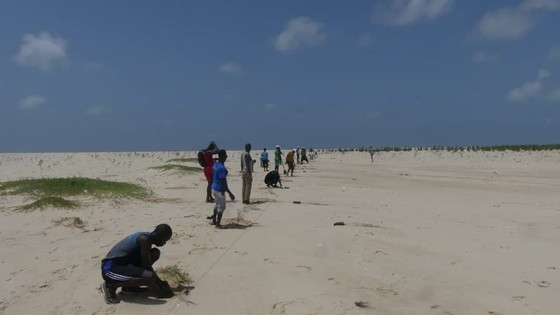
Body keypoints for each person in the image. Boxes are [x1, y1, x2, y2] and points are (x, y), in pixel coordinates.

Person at [100, 224, 174, 304]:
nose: (164, 243)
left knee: (155, 253)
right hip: (109, 268)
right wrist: (159, 284)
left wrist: (159, 282)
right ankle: (110, 286)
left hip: (123, 264)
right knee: (149, 276)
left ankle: (128, 287)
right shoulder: (144, 240)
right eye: (164, 240)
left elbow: (145, 262)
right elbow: (146, 266)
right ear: (158, 235)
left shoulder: (146, 237)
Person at [209, 149, 235, 228]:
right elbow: (223, 181)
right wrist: (230, 193)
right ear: (223, 157)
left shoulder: (215, 165)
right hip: (220, 189)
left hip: (213, 187)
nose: (226, 157)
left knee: (217, 204)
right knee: (221, 206)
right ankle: (218, 224)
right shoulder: (221, 168)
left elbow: (213, 175)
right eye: (226, 156)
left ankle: (214, 220)